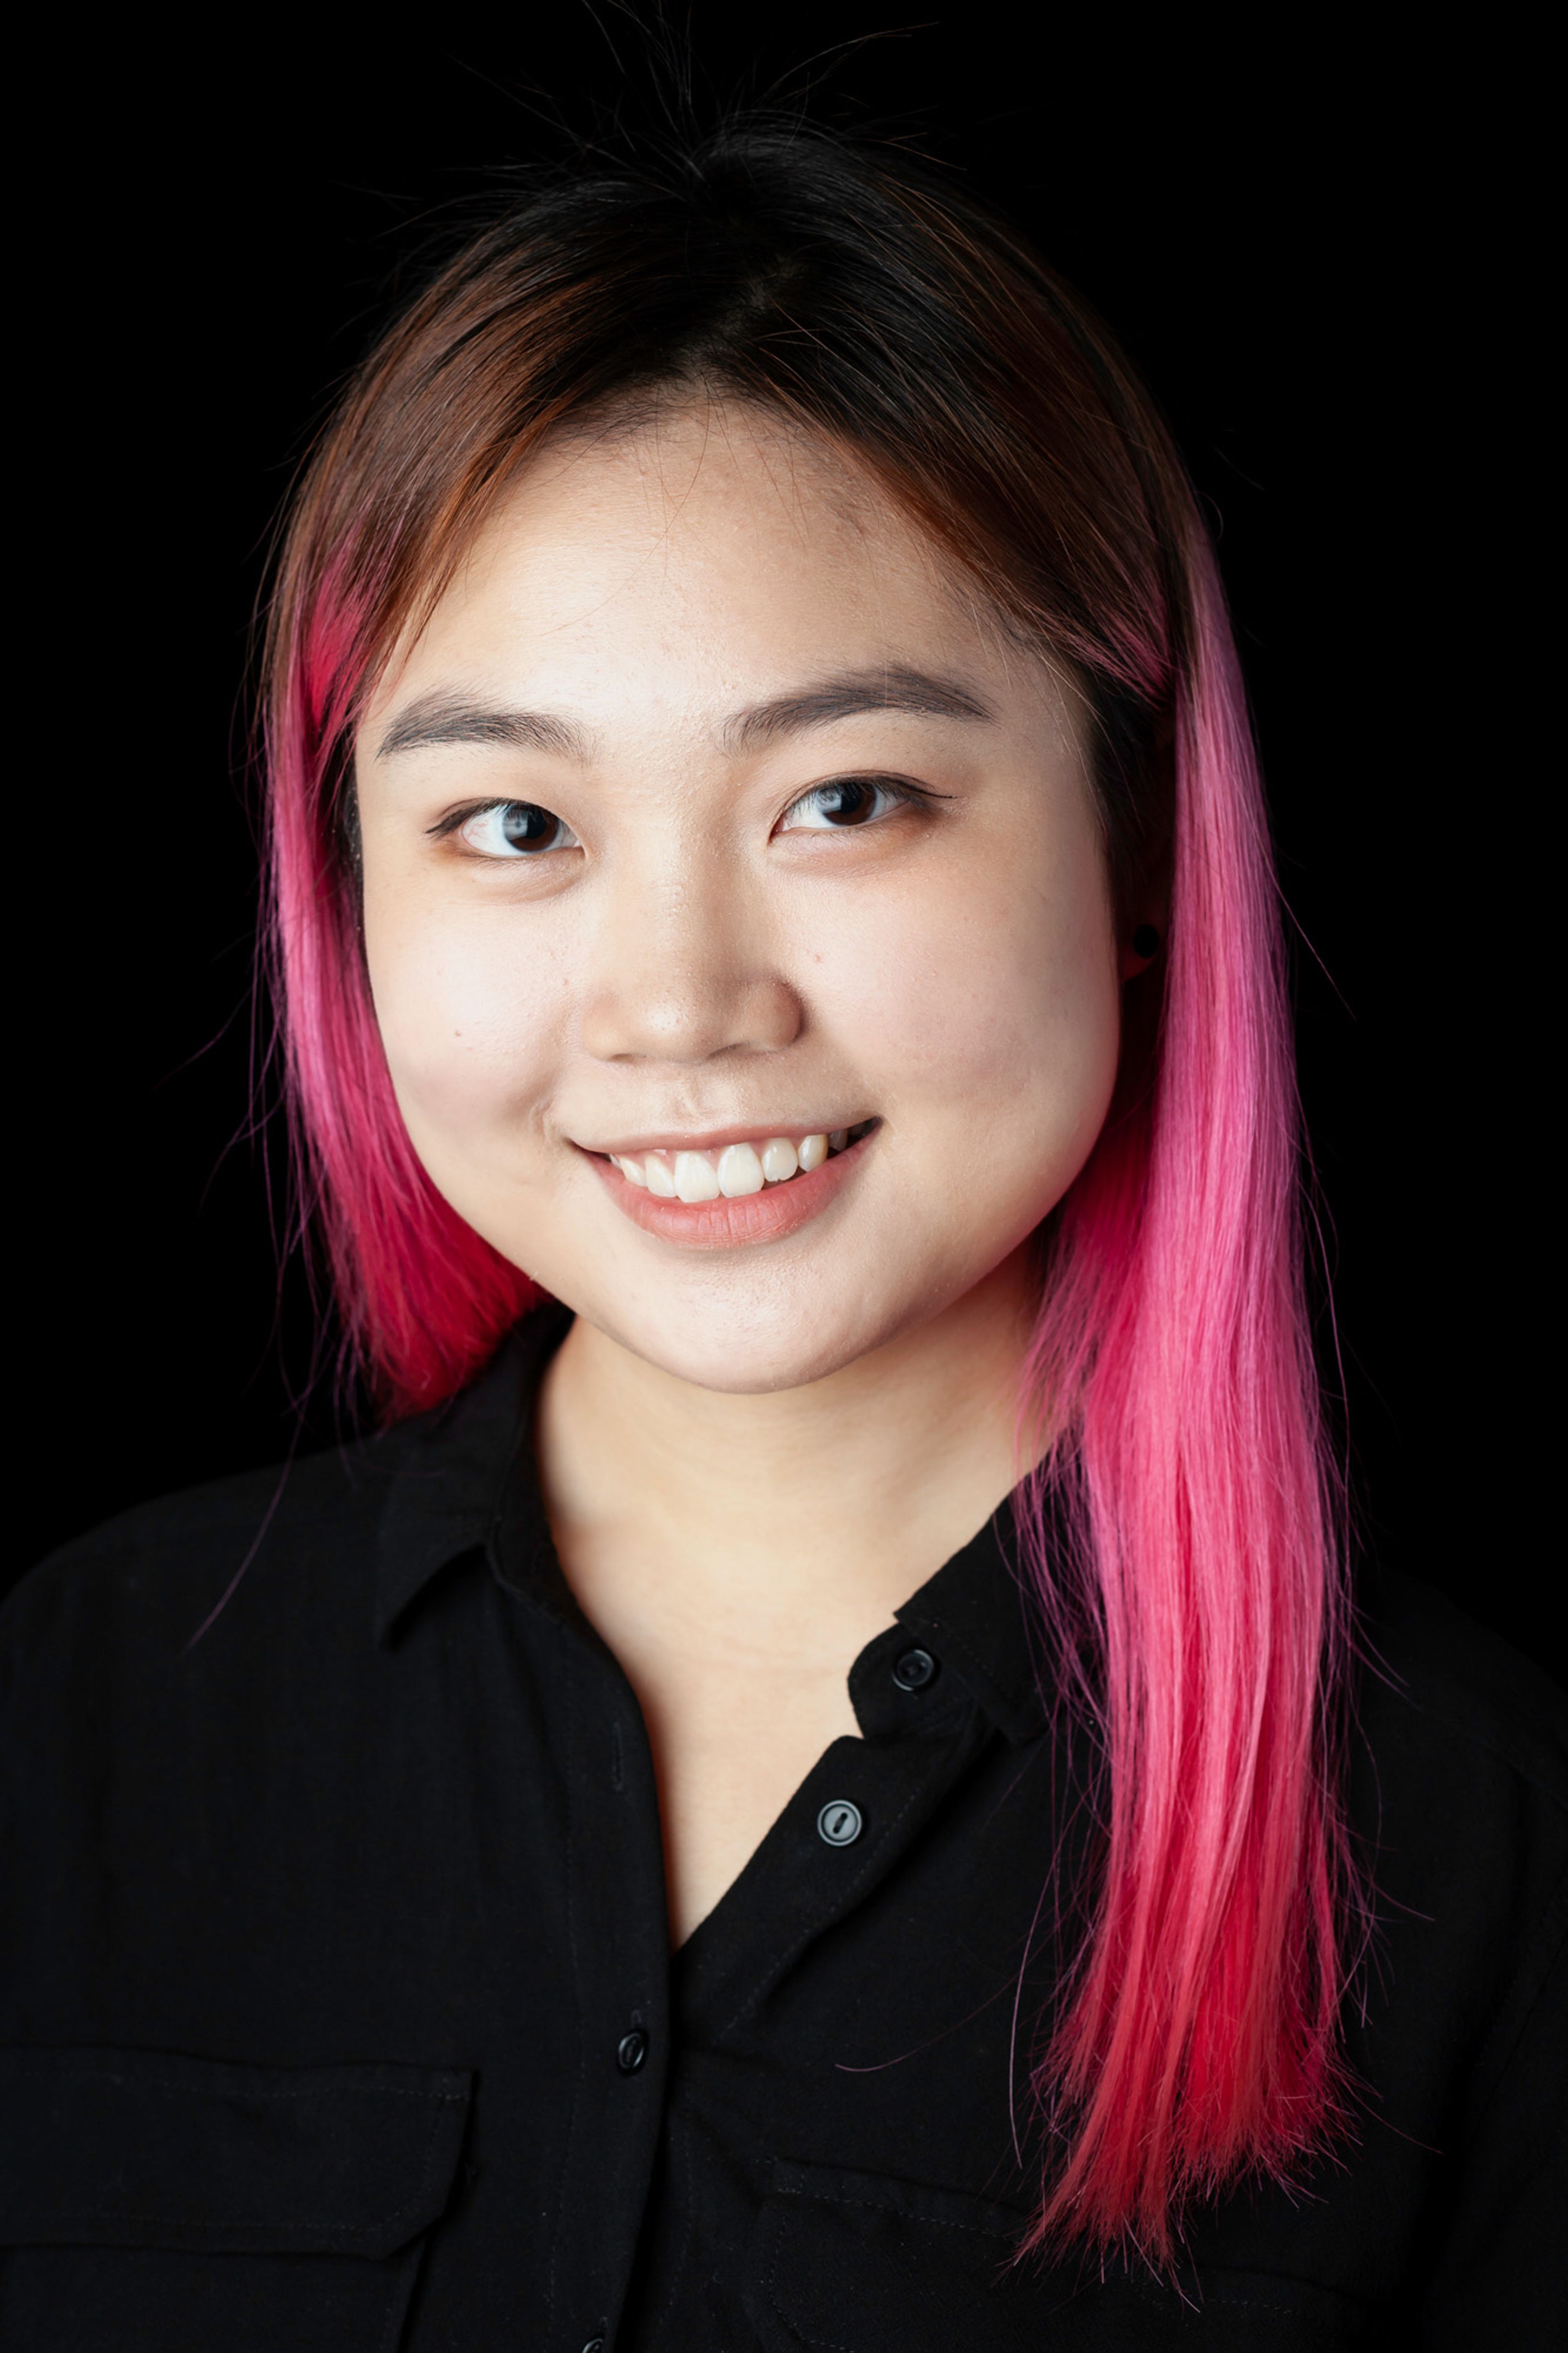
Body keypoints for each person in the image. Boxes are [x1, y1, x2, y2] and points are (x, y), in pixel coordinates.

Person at [2, 117, 1562, 2353]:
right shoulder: (73, 1713)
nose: (678, 1003)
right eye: (513, 822)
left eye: (846, 798)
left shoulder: (1481, 1853)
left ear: (1137, 848)